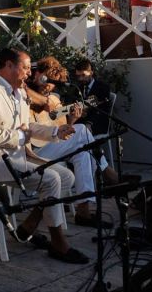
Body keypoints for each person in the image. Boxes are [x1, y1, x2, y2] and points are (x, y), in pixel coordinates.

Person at [0, 48, 88, 263]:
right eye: (24, 67)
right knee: (51, 179)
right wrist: (20, 137)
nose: (28, 73)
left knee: (67, 177)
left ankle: (28, 225)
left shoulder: (19, 92)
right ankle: (58, 243)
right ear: (8, 66)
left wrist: (55, 132)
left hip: (17, 158)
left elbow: (29, 126)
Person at [25, 57, 117, 227]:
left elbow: (62, 131)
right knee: (83, 131)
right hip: (32, 152)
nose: (49, 87)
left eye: (53, 84)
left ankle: (83, 210)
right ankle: (106, 171)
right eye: (47, 81)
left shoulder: (53, 99)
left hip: (49, 146)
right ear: (38, 74)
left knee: (83, 151)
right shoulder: (25, 93)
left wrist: (73, 118)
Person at [72, 59, 113, 137]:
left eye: (83, 75)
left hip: (98, 122)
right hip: (81, 122)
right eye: (78, 76)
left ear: (91, 73)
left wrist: (90, 123)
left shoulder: (103, 87)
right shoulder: (78, 88)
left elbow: (103, 110)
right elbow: (74, 104)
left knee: (79, 134)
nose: (80, 79)